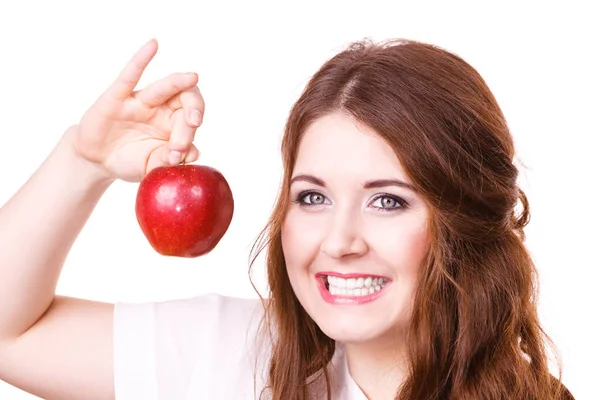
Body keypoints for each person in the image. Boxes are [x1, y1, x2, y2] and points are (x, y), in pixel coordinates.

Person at [0, 38, 574, 400]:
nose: (340, 241)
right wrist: (82, 160)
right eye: (313, 198)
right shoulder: (227, 352)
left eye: (388, 200)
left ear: (465, 219)